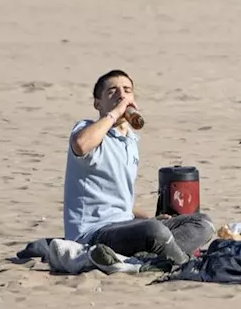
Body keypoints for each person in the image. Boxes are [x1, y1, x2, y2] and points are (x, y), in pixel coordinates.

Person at [63, 69, 215, 266]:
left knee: (202, 223)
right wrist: (114, 113)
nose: (121, 95)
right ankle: (180, 264)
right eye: (112, 91)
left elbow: (120, 200)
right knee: (154, 231)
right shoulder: (87, 129)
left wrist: (150, 217)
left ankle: (147, 261)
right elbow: (80, 145)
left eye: (127, 90)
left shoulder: (130, 142)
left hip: (126, 225)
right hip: (92, 233)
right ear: (97, 103)